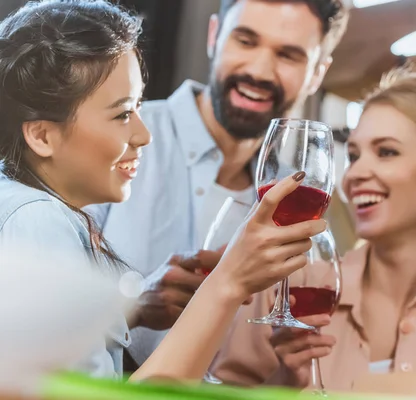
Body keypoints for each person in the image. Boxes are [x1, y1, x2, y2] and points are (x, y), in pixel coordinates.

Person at [0, 0, 325, 381]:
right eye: (122, 113)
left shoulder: (43, 210)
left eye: (138, 107)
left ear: (319, 72)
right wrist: (229, 280)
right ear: (41, 135)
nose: (144, 133)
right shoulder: (38, 218)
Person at [211, 68, 416, 390]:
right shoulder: (292, 280)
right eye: (354, 155)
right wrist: (286, 381)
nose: (355, 173)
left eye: (386, 152)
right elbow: (221, 394)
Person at [87, 0, 350, 367]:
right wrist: (131, 305)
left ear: (317, 73)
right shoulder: (115, 137)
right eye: (245, 41)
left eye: (288, 55)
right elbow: (27, 301)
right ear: (214, 36)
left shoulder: (297, 195)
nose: (259, 70)